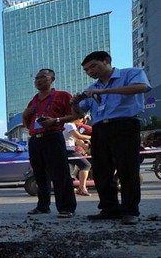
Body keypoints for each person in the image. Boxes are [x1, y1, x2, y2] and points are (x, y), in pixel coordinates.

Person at [67, 51, 151, 225]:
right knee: (101, 170)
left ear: (106, 61)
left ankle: (130, 211)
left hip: (125, 125)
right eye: (86, 70)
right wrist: (74, 103)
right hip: (100, 129)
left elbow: (142, 87)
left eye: (93, 66)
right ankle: (109, 208)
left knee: (127, 169)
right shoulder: (93, 88)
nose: (90, 72)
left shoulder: (130, 73)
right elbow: (80, 113)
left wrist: (105, 90)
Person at [21, 68, 76, 219]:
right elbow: (28, 124)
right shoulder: (34, 100)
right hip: (35, 139)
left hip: (53, 136)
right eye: (36, 78)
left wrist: (55, 120)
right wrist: (25, 116)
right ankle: (42, 206)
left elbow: (74, 115)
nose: (39, 80)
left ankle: (66, 207)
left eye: (43, 77)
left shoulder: (62, 96)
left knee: (60, 173)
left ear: (52, 79)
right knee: (39, 174)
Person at [62, 120, 92, 196]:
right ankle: (82, 188)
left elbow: (78, 141)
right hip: (68, 150)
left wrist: (86, 149)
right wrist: (92, 137)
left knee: (69, 171)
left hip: (65, 150)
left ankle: (70, 189)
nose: (83, 122)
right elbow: (78, 136)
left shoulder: (66, 125)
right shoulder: (70, 125)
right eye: (82, 120)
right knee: (86, 165)